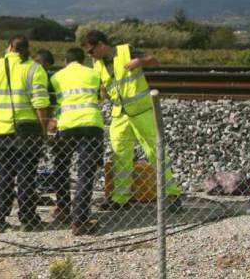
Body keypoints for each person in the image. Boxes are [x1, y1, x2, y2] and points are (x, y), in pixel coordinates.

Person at [81, 30, 181, 212]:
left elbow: (155, 60)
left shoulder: (126, 50)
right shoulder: (97, 64)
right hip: (120, 114)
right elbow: (104, 89)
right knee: (120, 156)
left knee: (155, 151)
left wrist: (140, 61)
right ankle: (120, 199)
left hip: (142, 111)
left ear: (101, 45)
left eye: (91, 51)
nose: (90, 55)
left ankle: (172, 196)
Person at [0, 35, 51, 232]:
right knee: (27, 175)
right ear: (27, 50)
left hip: (1, 130)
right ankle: (28, 218)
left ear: (9, 48)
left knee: (5, 175)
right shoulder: (34, 68)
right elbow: (41, 103)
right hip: (28, 131)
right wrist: (43, 130)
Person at [47, 47, 104, 235]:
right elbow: (102, 96)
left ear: (65, 61)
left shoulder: (56, 77)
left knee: (61, 166)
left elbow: (52, 102)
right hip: (91, 126)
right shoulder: (93, 73)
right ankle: (79, 221)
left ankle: (63, 208)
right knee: (85, 173)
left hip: (66, 127)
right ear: (82, 61)